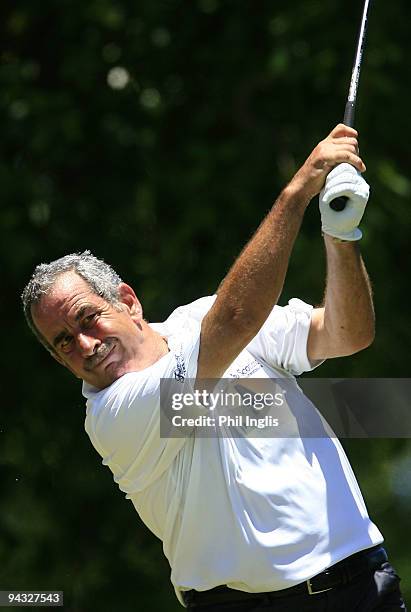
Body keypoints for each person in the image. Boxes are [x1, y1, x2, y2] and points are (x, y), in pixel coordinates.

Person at [22, 124, 407, 611]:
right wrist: (297, 191)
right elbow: (237, 318)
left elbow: (349, 333)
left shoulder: (200, 320)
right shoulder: (113, 415)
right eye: (63, 342)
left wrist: (340, 233)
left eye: (88, 318)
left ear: (127, 301)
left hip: (355, 586)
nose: (84, 344)